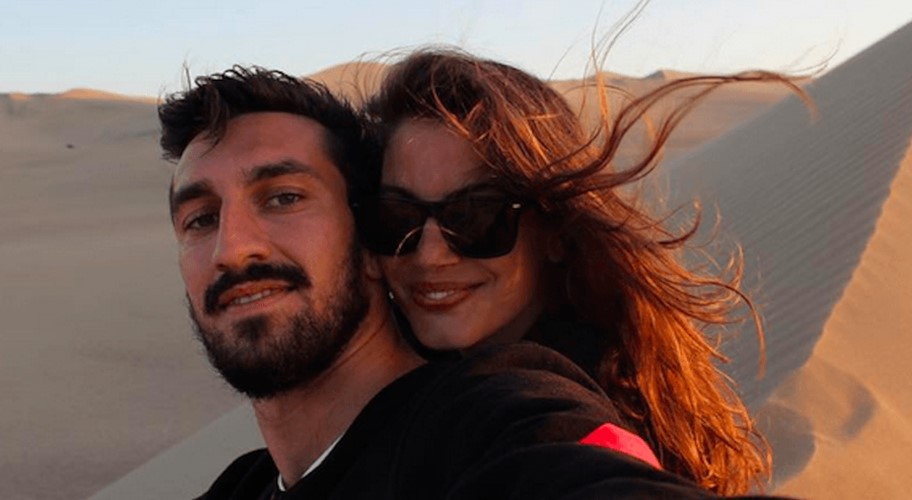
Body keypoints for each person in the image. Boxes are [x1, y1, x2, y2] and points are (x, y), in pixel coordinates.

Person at [158, 66, 782, 499]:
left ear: (362, 241)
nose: (232, 247)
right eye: (200, 218)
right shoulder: (246, 485)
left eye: (284, 197)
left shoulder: (492, 425)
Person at [358, 49, 803, 495]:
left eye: (476, 216)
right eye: (398, 217)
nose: (430, 255)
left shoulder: (558, 416)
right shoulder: (401, 395)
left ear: (554, 231)